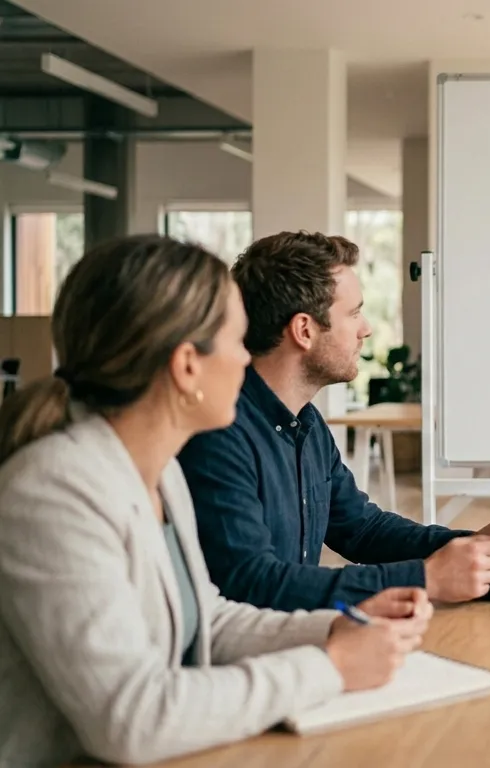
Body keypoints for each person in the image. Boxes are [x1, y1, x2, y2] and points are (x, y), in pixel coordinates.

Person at [0, 235, 430, 767]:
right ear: (186, 366)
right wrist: (331, 667)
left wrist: (336, 627)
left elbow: (213, 621)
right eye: (235, 340)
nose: (245, 358)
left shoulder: (158, 477)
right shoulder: (53, 493)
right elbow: (131, 719)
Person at [179, 231, 490, 612]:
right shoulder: (219, 435)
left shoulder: (306, 423)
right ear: (304, 330)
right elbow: (252, 583)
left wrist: (467, 547)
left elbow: (362, 529)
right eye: (354, 313)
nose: (366, 328)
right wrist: (427, 578)